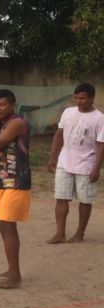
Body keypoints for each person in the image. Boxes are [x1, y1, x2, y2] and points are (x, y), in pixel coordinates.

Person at [47, 83, 104, 244]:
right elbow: (59, 135)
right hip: (65, 162)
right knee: (61, 197)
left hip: (86, 165)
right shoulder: (68, 112)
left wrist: (96, 168)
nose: (79, 101)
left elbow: (101, 145)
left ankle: (80, 233)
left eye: (83, 98)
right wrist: (53, 157)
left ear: (91, 98)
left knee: (85, 200)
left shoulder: (99, 118)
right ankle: (60, 233)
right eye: (76, 98)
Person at [0, 89, 31, 289]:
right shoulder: (3, 122)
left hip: (17, 179)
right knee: (2, 225)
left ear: (12, 105)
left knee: (7, 224)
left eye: (1, 105)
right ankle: (12, 269)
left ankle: (15, 275)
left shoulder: (16, 123)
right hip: (3, 178)